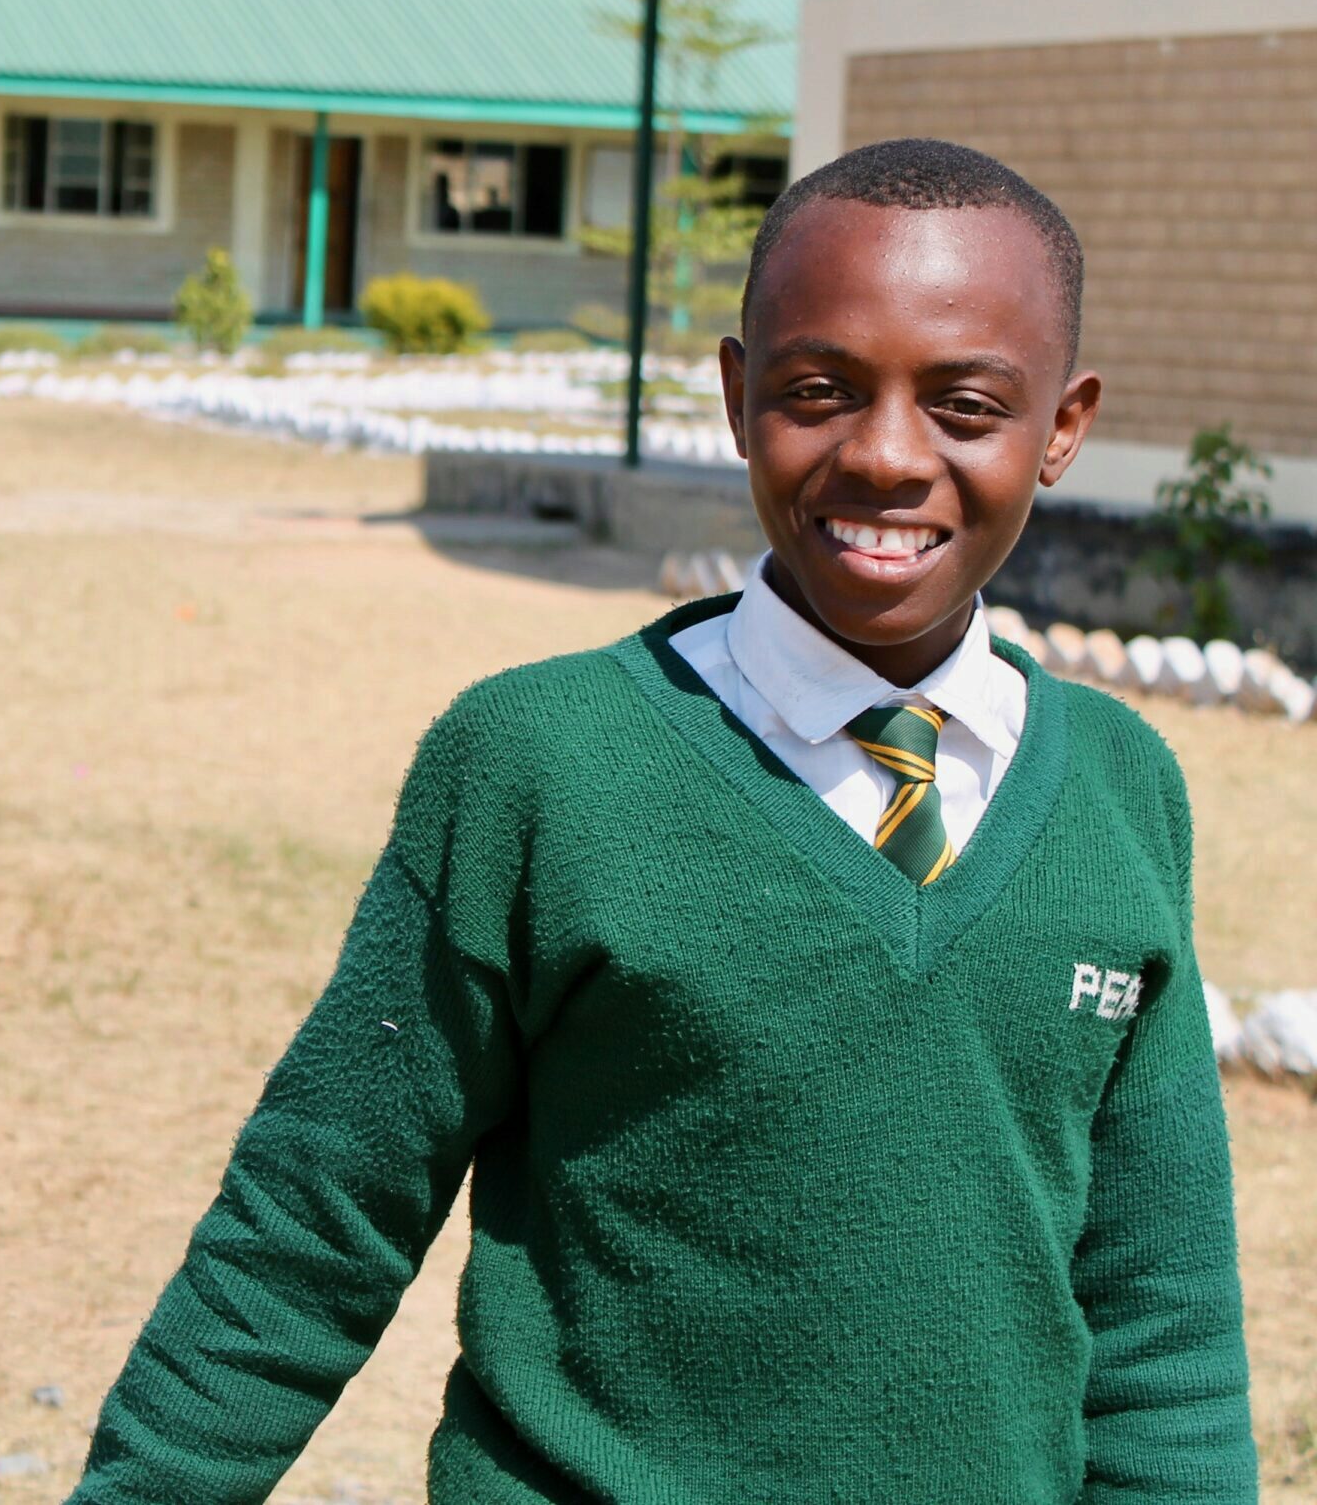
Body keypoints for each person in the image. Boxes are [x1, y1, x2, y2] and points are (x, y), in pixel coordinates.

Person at [66, 140, 1256, 1503]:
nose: (883, 454)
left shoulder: (1121, 787)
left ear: (1063, 425)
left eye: (965, 405)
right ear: (741, 398)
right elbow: (313, 1221)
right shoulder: (537, 762)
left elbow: (1161, 1319)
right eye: (820, 391)